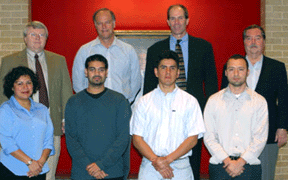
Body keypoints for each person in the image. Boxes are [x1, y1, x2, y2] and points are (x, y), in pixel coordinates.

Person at [143, 5, 218, 179]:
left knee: (192, 163)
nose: (177, 22)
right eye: (173, 18)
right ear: (168, 21)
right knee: (159, 161)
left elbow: (212, 83)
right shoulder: (155, 49)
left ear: (187, 20)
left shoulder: (203, 47)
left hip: (193, 114)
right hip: (161, 114)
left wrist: (208, 112)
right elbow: (148, 86)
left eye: (180, 18)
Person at [0, 21, 73, 180]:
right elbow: (2, 93)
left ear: (46, 38)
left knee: (48, 172)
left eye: (42, 35)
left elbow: (66, 90)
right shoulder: (9, 61)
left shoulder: (58, 60)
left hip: (48, 123)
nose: (38, 39)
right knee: (17, 169)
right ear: (25, 38)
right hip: (17, 126)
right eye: (33, 35)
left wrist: (65, 118)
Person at [221, 25, 288, 180]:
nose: (253, 42)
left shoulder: (277, 67)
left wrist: (283, 127)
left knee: (265, 175)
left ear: (264, 41)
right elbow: (223, 98)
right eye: (249, 38)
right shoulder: (232, 67)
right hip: (236, 135)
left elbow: (284, 99)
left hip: (268, 135)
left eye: (258, 38)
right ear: (244, 42)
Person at [131, 50, 206, 180]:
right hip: (150, 166)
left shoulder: (190, 101)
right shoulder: (144, 101)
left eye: (172, 68)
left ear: (178, 73)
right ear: (156, 72)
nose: (167, 72)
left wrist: (167, 160)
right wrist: (156, 160)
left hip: (180, 167)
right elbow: (137, 138)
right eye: (163, 67)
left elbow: (193, 138)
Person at [66, 54, 131, 180]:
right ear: (86, 72)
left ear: (106, 73)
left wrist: (101, 165)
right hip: (82, 172)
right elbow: (71, 140)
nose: (97, 73)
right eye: (92, 69)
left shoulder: (119, 101)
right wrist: (90, 167)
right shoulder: (73, 102)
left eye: (101, 70)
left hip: (111, 172)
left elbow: (123, 138)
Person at [205, 54, 268, 180]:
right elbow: (209, 136)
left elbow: (260, 137)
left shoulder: (259, 101)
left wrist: (240, 162)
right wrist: (227, 161)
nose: (236, 73)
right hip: (221, 167)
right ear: (226, 72)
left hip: (249, 167)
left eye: (240, 69)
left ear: (247, 72)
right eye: (232, 69)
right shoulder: (213, 101)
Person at [72, 8, 141, 104]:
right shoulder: (84, 51)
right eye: (100, 23)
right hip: (92, 106)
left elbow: (136, 81)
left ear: (114, 23)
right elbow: (77, 82)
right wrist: (87, 102)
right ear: (95, 25)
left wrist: (125, 102)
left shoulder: (128, 50)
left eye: (107, 22)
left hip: (120, 107)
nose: (104, 26)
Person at [0, 66, 54, 180]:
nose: (25, 87)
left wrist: (39, 163)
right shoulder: (5, 110)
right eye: (19, 83)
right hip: (12, 169)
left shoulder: (42, 109)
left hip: (39, 169)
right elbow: (7, 142)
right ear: (12, 87)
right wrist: (30, 163)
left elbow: (48, 140)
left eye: (28, 82)